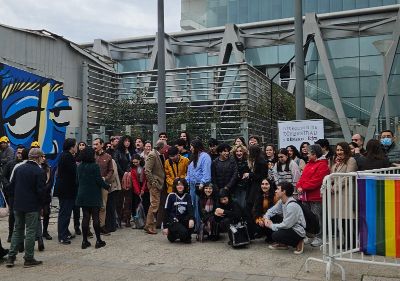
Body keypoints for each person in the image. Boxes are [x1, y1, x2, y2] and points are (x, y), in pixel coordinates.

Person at [6, 148, 46, 268]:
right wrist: (42, 206)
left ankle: (11, 257)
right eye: (41, 157)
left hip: (18, 204)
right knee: (30, 231)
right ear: (38, 158)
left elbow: (11, 186)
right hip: (32, 206)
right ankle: (28, 258)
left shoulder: (18, 168)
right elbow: (40, 191)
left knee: (17, 230)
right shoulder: (39, 171)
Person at [296, 144, 330, 247]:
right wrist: (299, 185)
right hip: (305, 195)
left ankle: (319, 237)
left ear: (315, 154)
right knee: (307, 217)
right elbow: (302, 177)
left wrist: (303, 187)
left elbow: (317, 181)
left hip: (316, 196)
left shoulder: (322, 164)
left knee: (317, 217)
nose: (307, 155)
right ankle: (310, 236)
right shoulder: (309, 164)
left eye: (309, 154)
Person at [75, 147, 109, 249]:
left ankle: (84, 241)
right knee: (95, 217)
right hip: (93, 194)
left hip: (82, 194)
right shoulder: (95, 166)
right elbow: (99, 180)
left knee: (85, 217)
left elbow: (77, 181)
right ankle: (98, 240)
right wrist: (107, 186)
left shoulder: (79, 166)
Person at [263, 182, 306, 255]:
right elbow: (271, 211)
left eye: (278, 189)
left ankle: (299, 241)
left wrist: (271, 226)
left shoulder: (292, 205)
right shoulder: (282, 201)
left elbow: (286, 225)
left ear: (284, 192)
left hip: (297, 230)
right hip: (289, 226)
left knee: (275, 235)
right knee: (273, 219)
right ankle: (284, 244)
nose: (275, 191)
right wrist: (266, 218)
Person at [330, 142, 357, 249]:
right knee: (341, 220)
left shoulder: (351, 160)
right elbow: (332, 176)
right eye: (337, 150)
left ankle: (352, 243)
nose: (339, 152)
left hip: (347, 193)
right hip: (338, 196)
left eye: (341, 150)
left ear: (346, 150)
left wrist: (334, 188)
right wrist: (335, 166)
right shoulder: (337, 162)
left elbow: (348, 177)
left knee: (348, 220)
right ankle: (347, 243)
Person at [54, 138, 78, 245]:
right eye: (76, 145)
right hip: (66, 190)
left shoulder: (65, 155)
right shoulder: (67, 157)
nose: (77, 147)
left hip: (65, 189)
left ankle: (66, 232)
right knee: (65, 213)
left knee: (65, 212)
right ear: (71, 147)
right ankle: (62, 236)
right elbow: (73, 172)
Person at [186, 139, 212, 231]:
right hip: (192, 185)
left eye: (191, 146)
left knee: (198, 206)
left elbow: (206, 173)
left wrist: (202, 183)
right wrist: (185, 181)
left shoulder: (205, 157)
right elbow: (189, 172)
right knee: (193, 205)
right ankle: (194, 225)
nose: (190, 148)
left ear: (196, 146)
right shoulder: (193, 157)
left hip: (200, 185)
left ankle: (199, 227)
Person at [2, 145, 25, 242]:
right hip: (12, 194)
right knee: (12, 214)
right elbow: (3, 176)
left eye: (21, 153)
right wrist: (8, 186)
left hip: (23, 194)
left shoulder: (25, 165)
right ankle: (11, 234)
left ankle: (20, 233)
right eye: (18, 152)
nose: (19, 154)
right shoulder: (10, 164)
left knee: (22, 214)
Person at [143, 140, 166, 234]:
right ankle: (149, 226)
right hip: (155, 184)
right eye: (165, 147)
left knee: (155, 204)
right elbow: (147, 170)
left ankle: (151, 224)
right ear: (161, 147)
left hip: (160, 184)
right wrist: (153, 182)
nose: (167, 148)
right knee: (154, 205)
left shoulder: (160, 154)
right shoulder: (153, 155)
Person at [162, 178, 194, 243]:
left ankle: (184, 235)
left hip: (184, 219)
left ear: (184, 186)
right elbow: (166, 211)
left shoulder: (188, 196)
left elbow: (190, 209)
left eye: (182, 185)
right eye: (178, 185)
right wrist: (165, 227)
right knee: (183, 233)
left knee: (188, 240)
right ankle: (172, 234)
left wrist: (191, 219)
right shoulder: (171, 196)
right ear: (175, 186)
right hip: (174, 220)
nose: (180, 186)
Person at [93, 138, 114, 235]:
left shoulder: (108, 156)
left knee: (103, 206)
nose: (95, 146)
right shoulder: (91, 156)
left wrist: (106, 178)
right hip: (92, 185)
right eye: (94, 144)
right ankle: (89, 228)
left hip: (103, 184)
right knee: (91, 206)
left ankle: (102, 226)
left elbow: (111, 170)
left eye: (96, 144)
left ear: (102, 145)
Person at [114, 135, 135, 227]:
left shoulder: (132, 152)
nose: (127, 143)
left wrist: (129, 173)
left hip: (130, 177)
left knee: (129, 200)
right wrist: (123, 173)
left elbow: (134, 163)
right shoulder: (118, 152)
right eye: (125, 141)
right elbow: (116, 163)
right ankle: (118, 219)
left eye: (129, 141)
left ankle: (127, 219)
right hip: (120, 177)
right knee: (119, 199)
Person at [253, 178, 278, 243]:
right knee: (257, 220)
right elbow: (255, 210)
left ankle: (273, 237)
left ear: (270, 185)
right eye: (262, 184)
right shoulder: (259, 195)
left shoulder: (275, 196)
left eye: (266, 184)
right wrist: (258, 219)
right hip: (263, 216)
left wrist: (265, 218)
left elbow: (276, 211)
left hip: (274, 217)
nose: (264, 186)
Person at [246, 145, 268, 218]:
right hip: (254, 185)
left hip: (258, 186)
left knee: (253, 205)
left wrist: (250, 175)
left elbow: (262, 176)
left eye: (249, 151)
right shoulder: (256, 160)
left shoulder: (261, 162)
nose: (248, 153)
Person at [231, 144, 250, 209]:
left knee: (243, 204)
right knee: (236, 204)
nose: (239, 153)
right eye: (237, 151)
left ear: (243, 152)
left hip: (245, 186)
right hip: (235, 186)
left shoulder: (248, 161)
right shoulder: (232, 161)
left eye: (240, 151)